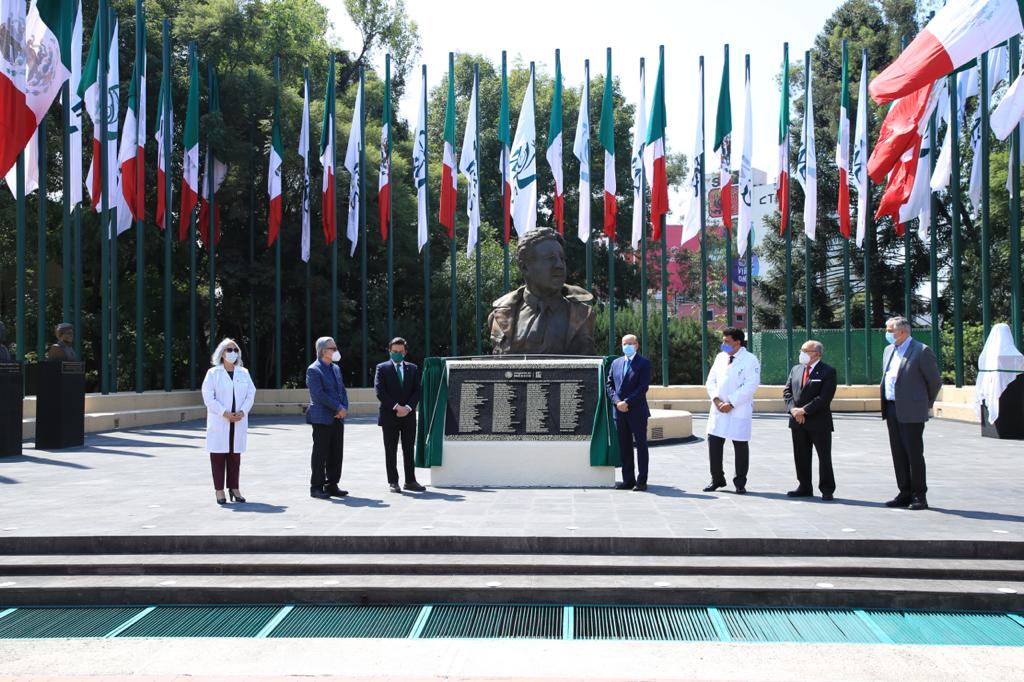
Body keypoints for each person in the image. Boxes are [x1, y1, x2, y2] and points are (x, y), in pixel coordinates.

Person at [488, 227, 596, 355]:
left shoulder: (582, 314)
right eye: (550, 258)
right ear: (525, 267)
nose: (559, 265)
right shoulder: (501, 315)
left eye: (562, 258)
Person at [880, 316, 941, 510]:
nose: (887, 334)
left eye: (890, 330)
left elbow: (934, 382)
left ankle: (919, 495)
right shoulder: (889, 350)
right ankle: (904, 492)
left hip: (912, 410)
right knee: (898, 452)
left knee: (913, 453)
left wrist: (922, 402)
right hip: (891, 407)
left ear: (903, 332)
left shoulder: (921, 351)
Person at [704, 327, 761, 494]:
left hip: (738, 408)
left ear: (737, 342)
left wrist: (731, 402)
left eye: (726, 341)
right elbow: (711, 380)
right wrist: (716, 399)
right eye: (723, 341)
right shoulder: (720, 357)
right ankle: (717, 479)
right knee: (714, 443)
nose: (723, 344)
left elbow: (751, 385)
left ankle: (740, 482)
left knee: (740, 445)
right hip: (717, 408)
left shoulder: (750, 360)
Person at [201, 338, 256, 505]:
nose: (233, 353)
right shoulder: (213, 373)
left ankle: (234, 487)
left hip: (238, 420)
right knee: (218, 456)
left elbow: (250, 394)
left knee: (234, 456)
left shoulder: (244, 373)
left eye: (235, 350)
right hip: (220, 420)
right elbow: (208, 397)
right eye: (229, 350)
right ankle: (219, 490)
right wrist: (224, 413)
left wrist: (242, 411)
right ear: (222, 353)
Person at [782, 340, 837, 500]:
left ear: (817, 354)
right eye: (802, 350)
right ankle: (804, 486)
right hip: (797, 421)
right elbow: (787, 391)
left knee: (824, 456)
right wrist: (793, 410)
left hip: (818, 421)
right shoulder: (796, 369)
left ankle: (827, 488)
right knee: (800, 455)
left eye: (806, 351)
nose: (802, 354)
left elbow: (824, 397)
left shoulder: (828, 371)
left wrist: (804, 410)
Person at [374, 337, 426, 493]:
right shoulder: (381, 368)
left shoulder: (413, 368)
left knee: (409, 449)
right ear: (389, 351)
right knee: (390, 450)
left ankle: (410, 480)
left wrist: (408, 408)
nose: (397, 354)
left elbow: (418, 390)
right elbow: (380, 391)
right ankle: (393, 482)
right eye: (394, 351)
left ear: (405, 352)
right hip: (390, 415)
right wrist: (397, 407)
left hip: (408, 416)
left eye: (400, 351)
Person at [605, 334, 652, 491]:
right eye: (625, 344)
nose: (627, 346)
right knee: (624, 446)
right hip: (619, 411)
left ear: (637, 345)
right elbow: (609, 384)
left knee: (641, 446)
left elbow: (643, 387)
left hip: (637, 411)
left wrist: (627, 402)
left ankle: (642, 480)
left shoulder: (644, 363)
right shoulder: (616, 363)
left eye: (631, 343)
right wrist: (617, 401)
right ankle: (628, 480)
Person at [307, 336, 349, 499]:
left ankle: (332, 484)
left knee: (336, 452)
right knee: (320, 453)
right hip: (322, 418)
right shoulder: (314, 369)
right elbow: (318, 394)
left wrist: (344, 407)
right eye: (333, 348)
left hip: (338, 417)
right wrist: (337, 407)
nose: (336, 351)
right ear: (323, 351)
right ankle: (316, 487)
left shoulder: (336, 368)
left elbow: (342, 390)